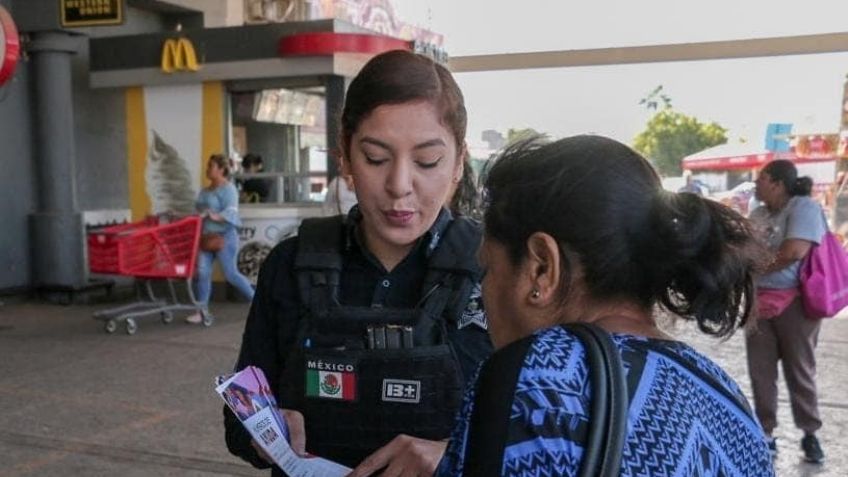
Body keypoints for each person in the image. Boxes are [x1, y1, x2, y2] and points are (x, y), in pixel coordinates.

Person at [433, 136, 775, 476]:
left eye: (488, 268)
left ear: (541, 267)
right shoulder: (726, 397)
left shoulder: (538, 380)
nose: (482, 289)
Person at [223, 50, 492, 475]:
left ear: (459, 162)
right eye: (376, 158)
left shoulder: (495, 270)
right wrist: (263, 433)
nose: (399, 186)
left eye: (427, 161)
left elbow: (536, 431)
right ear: (344, 158)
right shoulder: (290, 265)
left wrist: (454, 456)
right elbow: (239, 418)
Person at [746, 159, 827, 463]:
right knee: (760, 372)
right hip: (760, 302)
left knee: (800, 369)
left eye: (762, 179)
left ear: (778, 183)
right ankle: (765, 433)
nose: (756, 184)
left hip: (796, 302)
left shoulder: (803, 208)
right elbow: (743, 250)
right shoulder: (758, 213)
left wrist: (756, 264)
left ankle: (810, 433)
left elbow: (794, 251)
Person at [187, 154, 255, 324]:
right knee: (202, 273)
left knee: (231, 274)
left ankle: (257, 301)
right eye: (208, 166)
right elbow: (198, 211)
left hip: (225, 237)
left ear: (221, 170)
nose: (207, 169)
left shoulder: (229, 189)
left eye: (211, 166)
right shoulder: (205, 191)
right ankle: (201, 311)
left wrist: (214, 215)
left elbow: (231, 212)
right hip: (206, 237)